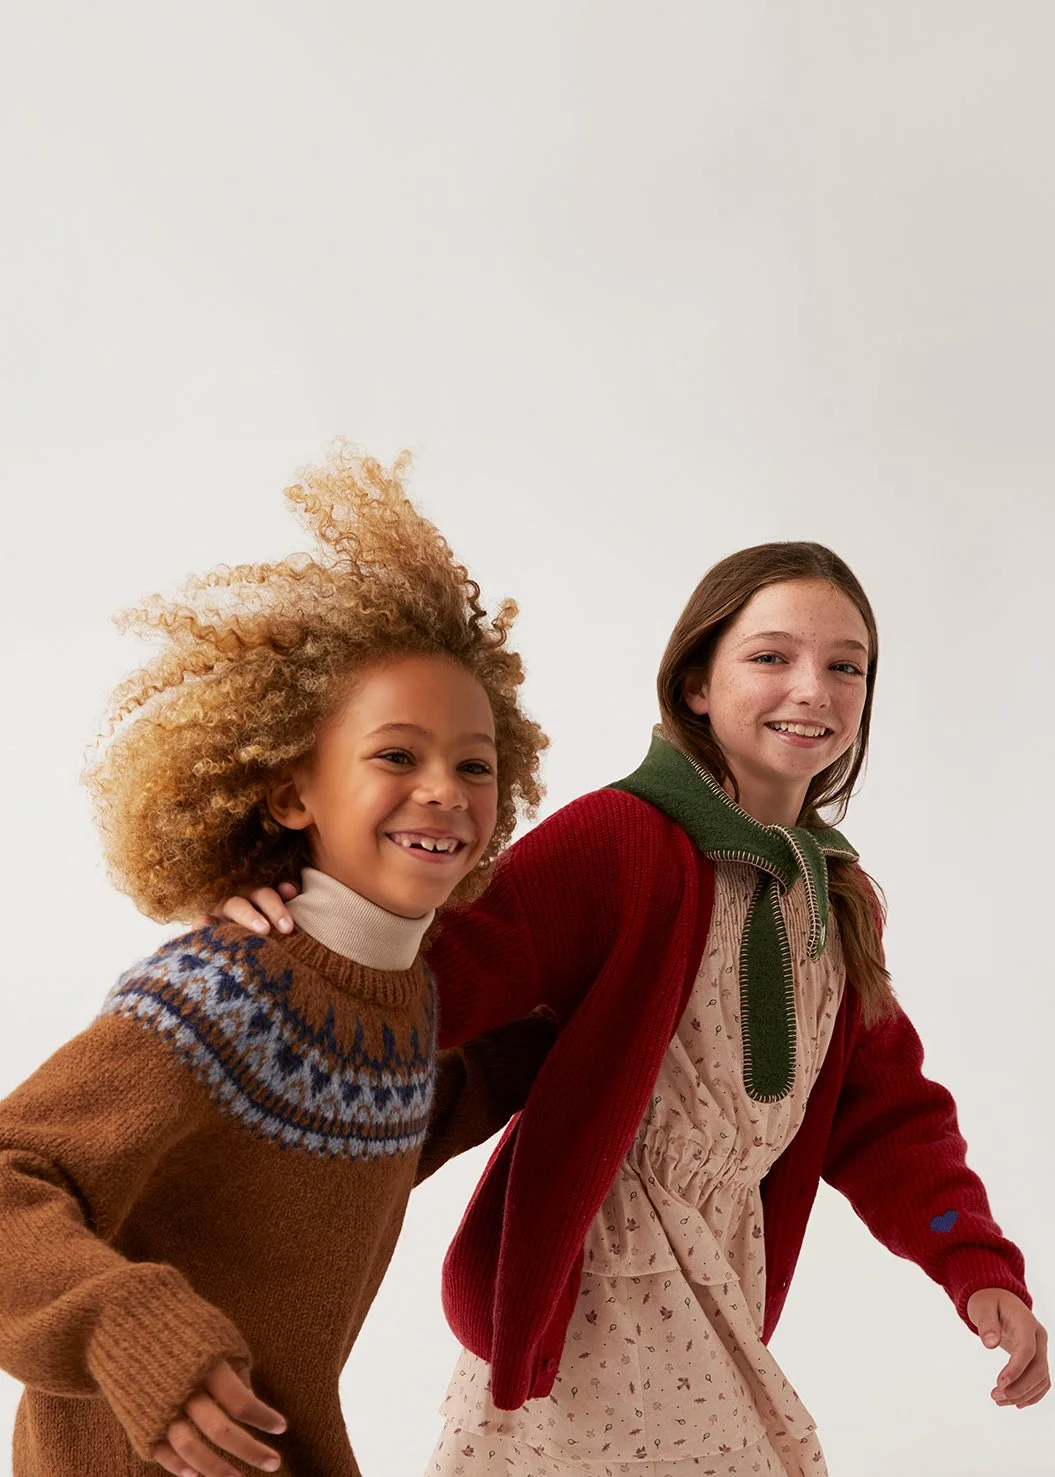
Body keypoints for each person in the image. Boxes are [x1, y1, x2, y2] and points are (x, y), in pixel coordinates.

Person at [225, 541, 1048, 1476]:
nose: (812, 689)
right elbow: (444, 970)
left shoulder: (833, 894)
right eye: (770, 656)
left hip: (718, 1270)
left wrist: (970, 1261)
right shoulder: (622, 838)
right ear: (694, 685)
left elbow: (888, 1112)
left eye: (844, 665)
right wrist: (296, 913)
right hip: (602, 1277)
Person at [0, 444, 552, 1477]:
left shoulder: (399, 997)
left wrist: (576, 1035)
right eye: (396, 754)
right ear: (293, 791)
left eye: (474, 764)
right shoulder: (220, 988)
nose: (444, 788)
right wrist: (123, 1319)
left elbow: (386, 1120)